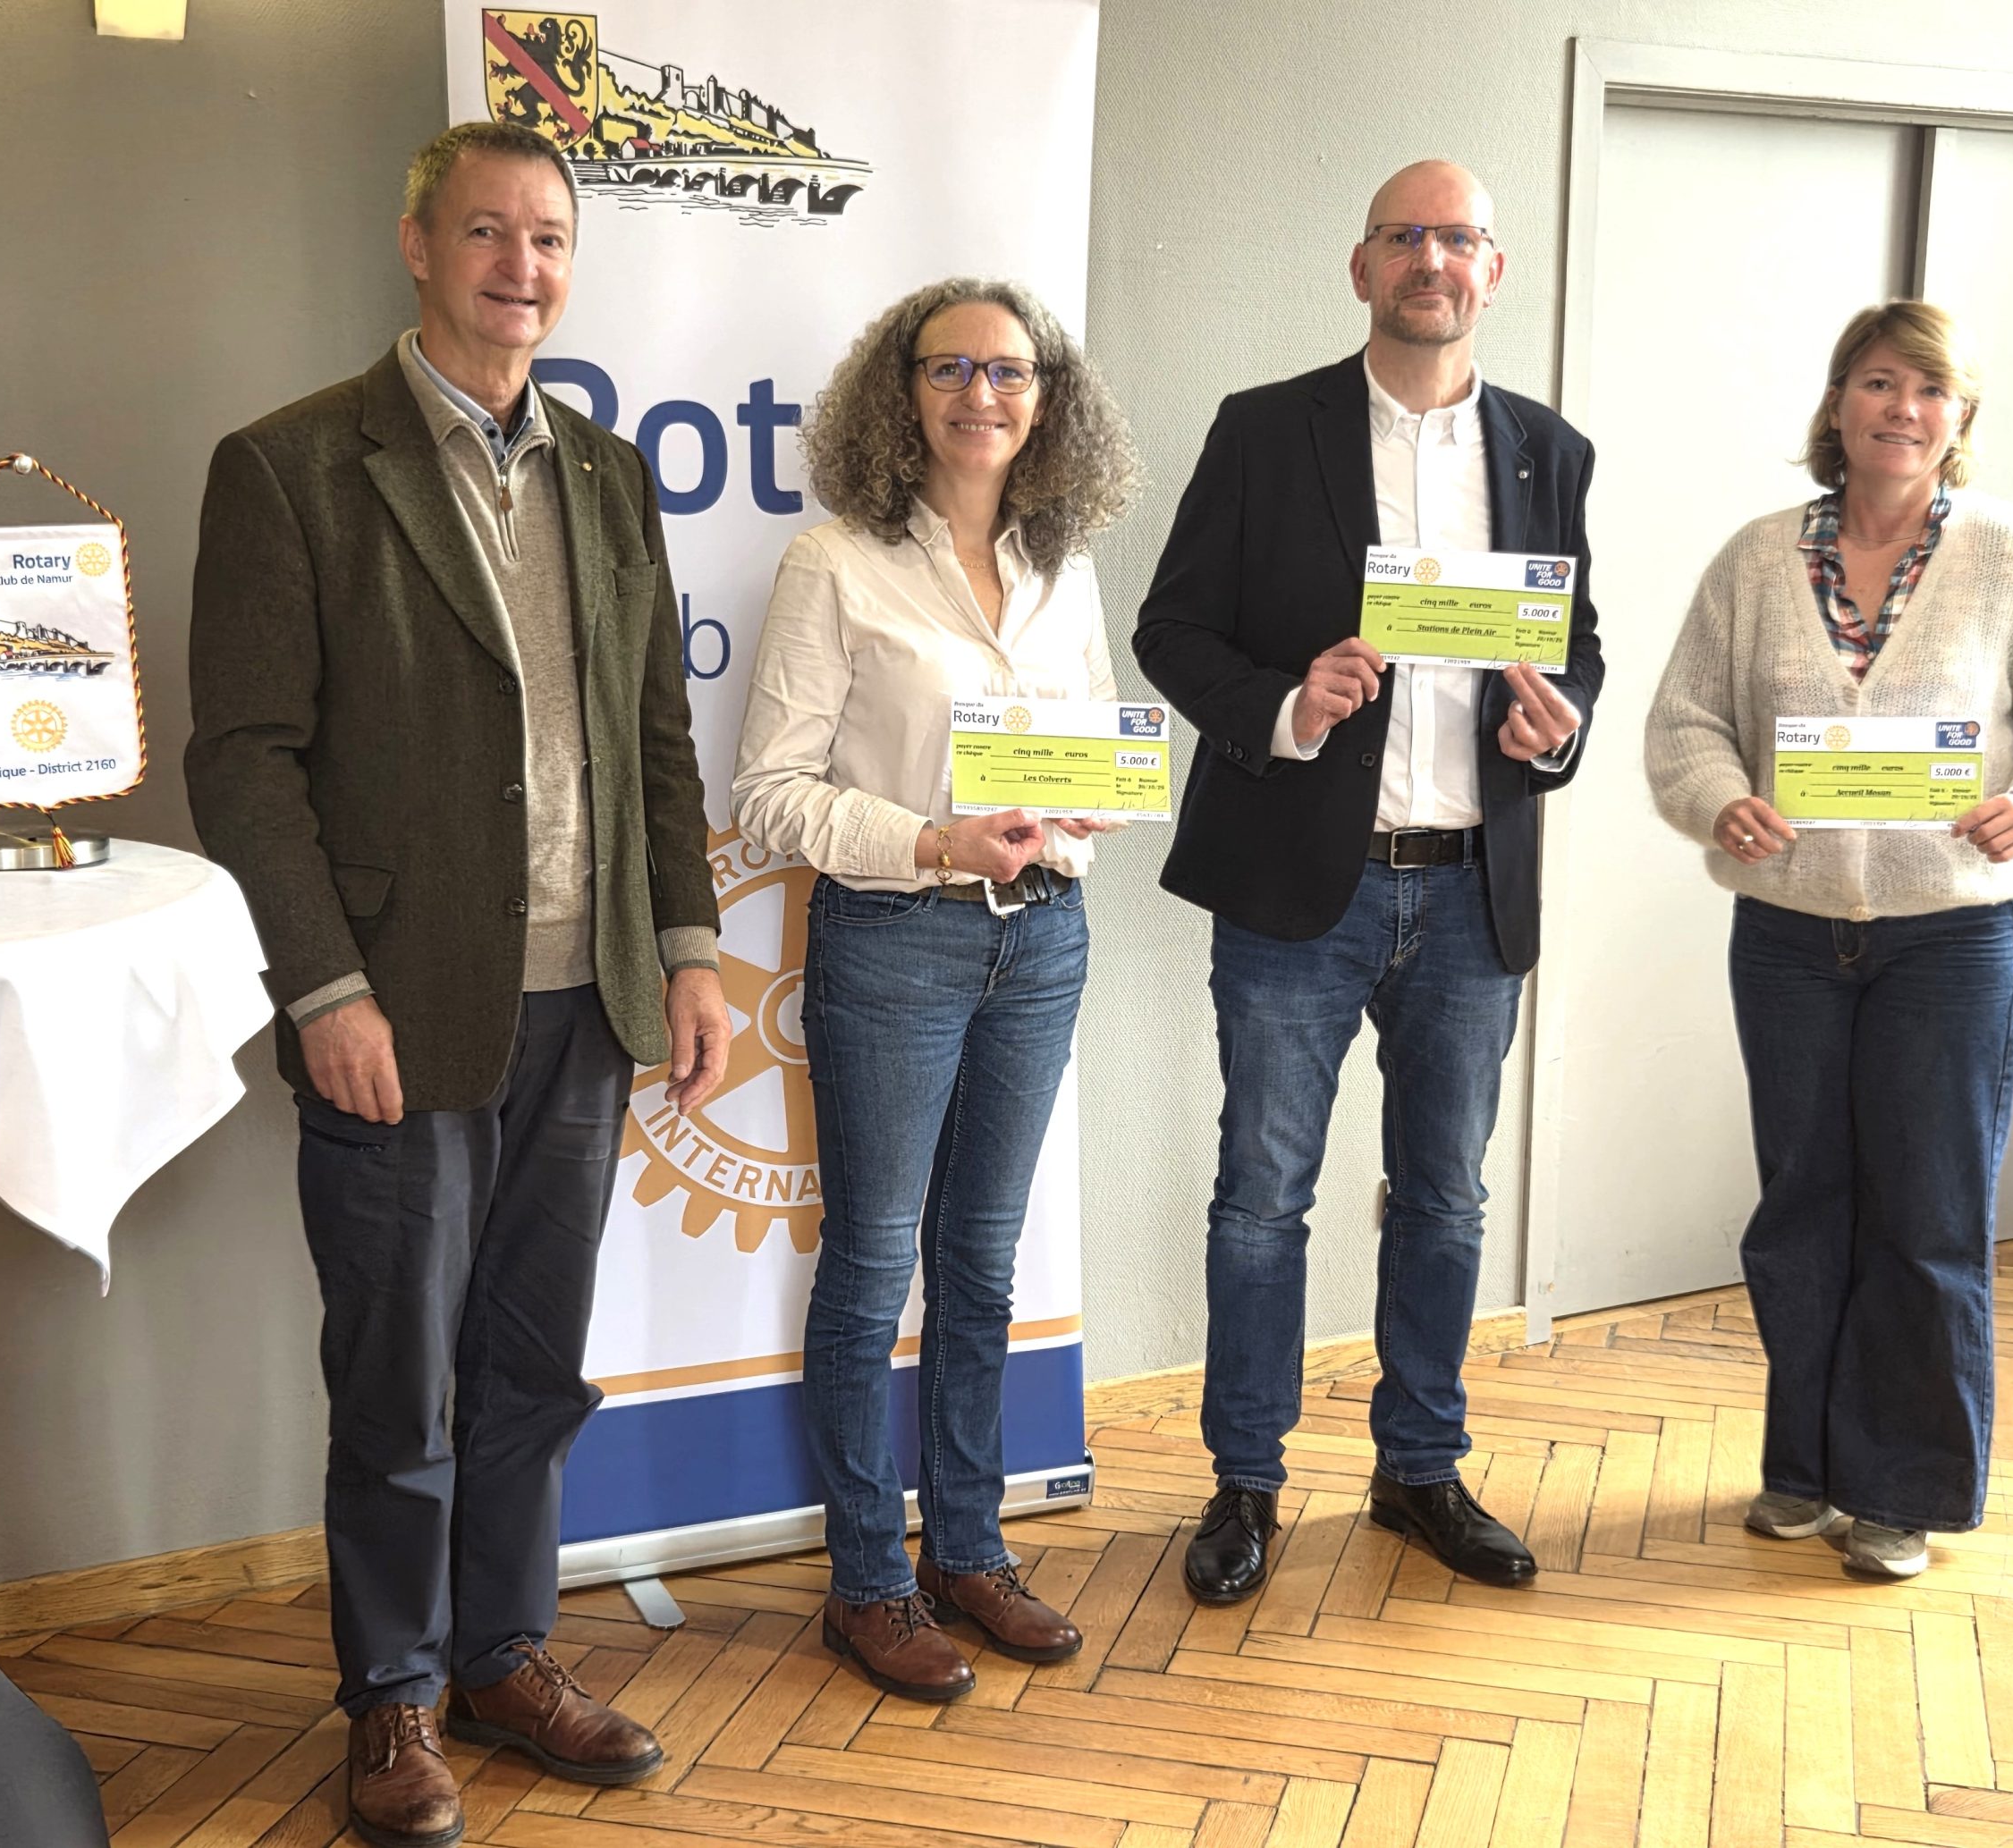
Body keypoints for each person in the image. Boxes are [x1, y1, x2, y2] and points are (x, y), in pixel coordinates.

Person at [185, 121, 728, 1847]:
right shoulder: (291, 467)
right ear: (417, 246)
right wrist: (322, 988)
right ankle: (394, 1696)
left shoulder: (609, 472)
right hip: (395, 1014)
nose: (522, 265)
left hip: (588, 1003)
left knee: (531, 1367)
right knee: (396, 1377)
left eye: (549, 237)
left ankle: (505, 1655)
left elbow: (656, 738)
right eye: (488, 232)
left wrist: (689, 947)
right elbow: (242, 761)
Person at [1133, 161, 1603, 1601]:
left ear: (1492, 270)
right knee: (1261, 1197)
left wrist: (1557, 725)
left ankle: (1419, 1471)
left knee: (1446, 1198)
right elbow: (1172, 630)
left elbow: (1578, 647)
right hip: (1300, 891)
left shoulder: (1548, 451)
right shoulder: (1264, 430)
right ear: (1362, 267)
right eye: (1407, 236)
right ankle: (1245, 1483)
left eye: (1458, 238)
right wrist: (1288, 706)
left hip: (1471, 892)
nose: (1432, 259)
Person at [1645, 300, 2013, 1580]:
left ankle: (1902, 1487)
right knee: (1800, 1208)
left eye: (1928, 389)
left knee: (1927, 1215)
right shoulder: (1757, 560)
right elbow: (1686, 723)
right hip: (1789, 935)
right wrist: (1720, 799)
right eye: (1876, 382)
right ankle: (1806, 1465)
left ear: (1959, 415)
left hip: (1952, 939)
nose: (1901, 409)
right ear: (1838, 404)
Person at [732, 278, 1140, 1700]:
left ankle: (969, 1549)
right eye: (951, 368)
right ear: (900, 393)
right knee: (872, 1269)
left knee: (983, 1261)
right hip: (895, 938)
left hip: (1045, 939)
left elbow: (1090, 746)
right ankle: (869, 1583)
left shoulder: (1064, 569)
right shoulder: (834, 563)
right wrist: (930, 840)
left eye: (1010, 371)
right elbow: (770, 795)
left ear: (1047, 399)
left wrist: (1089, 802)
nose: (983, 394)